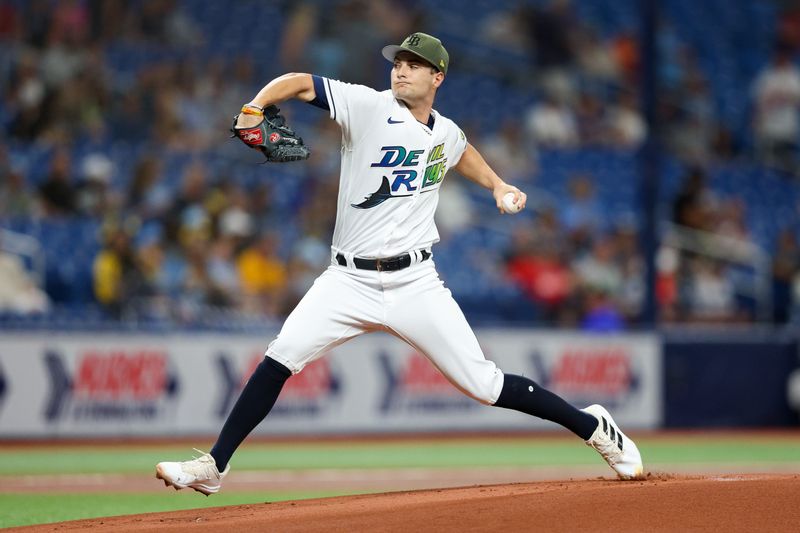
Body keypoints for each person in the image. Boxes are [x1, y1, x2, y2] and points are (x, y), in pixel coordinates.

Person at [155, 32, 643, 495]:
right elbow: (301, 83)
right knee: (279, 358)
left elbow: (460, 150)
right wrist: (255, 107)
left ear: (439, 78)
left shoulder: (444, 132)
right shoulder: (369, 107)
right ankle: (214, 466)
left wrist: (496, 184)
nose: (402, 71)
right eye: (399, 63)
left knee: (486, 385)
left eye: (415, 65)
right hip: (347, 279)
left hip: (415, 282)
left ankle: (593, 426)